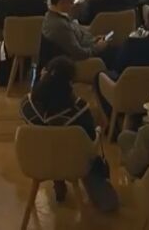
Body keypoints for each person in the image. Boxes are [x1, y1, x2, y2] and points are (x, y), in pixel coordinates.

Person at [20, 57, 97, 200]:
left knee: (51, 139)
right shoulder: (79, 109)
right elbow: (91, 138)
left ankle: (58, 181)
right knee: (71, 140)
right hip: (72, 163)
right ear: (70, 83)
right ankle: (99, 190)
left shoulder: (27, 105)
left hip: (36, 161)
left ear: (45, 74)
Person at [42, 0, 111, 61]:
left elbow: (78, 40)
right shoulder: (60, 25)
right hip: (86, 61)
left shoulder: (54, 17)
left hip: (88, 48)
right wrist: (97, 48)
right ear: (61, 3)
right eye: (71, 2)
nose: (73, 5)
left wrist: (93, 40)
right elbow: (79, 53)